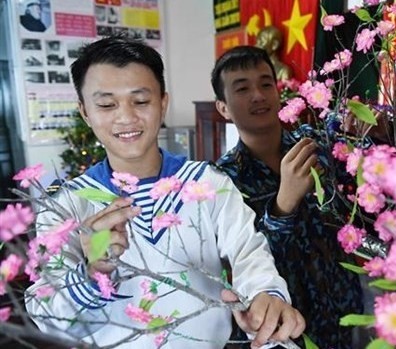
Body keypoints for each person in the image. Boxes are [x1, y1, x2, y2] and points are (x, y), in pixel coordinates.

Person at [25, 36, 305, 349]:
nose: (126, 117)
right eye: (106, 104)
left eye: (141, 101)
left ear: (163, 103)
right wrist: (91, 272)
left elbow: (249, 254)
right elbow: (49, 317)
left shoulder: (206, 183)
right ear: (85, 112)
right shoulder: (66, 206)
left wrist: (267, 297)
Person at [212, 46, 365, 349]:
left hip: (342, 302)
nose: (258, 95)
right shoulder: (220, 180)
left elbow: (361, 185)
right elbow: (243, 259)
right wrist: (284, 204)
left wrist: (364, 133)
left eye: (266, 83)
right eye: (242, 88)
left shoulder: (313, 142)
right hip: (283, 322)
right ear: (223, 108)